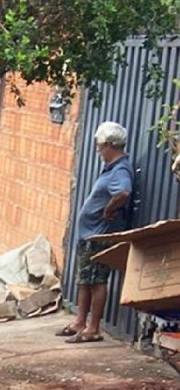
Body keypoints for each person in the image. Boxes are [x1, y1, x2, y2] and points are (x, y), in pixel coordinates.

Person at [57, 121, 134, 344]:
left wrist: (109, 209)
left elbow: (123, 192)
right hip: (89, 233)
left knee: (97, 281)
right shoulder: (111, 168)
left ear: (110, 145)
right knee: (84, 280)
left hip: (100, 235)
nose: (98, 149)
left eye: (100, 145)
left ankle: (93, 328)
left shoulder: (120, 169)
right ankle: (80, 322)